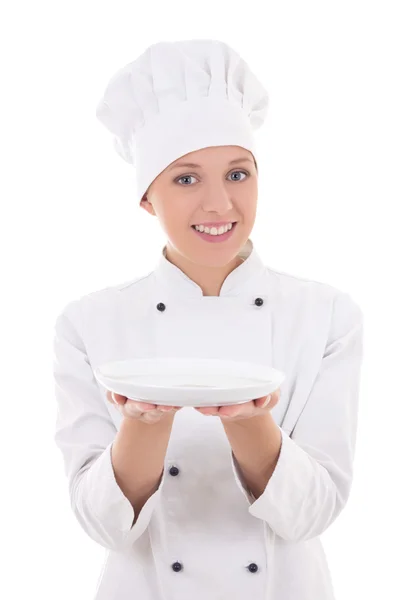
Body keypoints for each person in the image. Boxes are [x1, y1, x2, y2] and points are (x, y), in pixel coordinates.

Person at [52, 39, 364, 600]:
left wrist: (248, 420)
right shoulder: (90, 323)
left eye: (238, 174)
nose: (220, 205)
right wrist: (143, 425)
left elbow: (311, 514)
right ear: (148, 197)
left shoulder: (327, 315)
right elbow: (103, 526)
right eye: (186, 179)